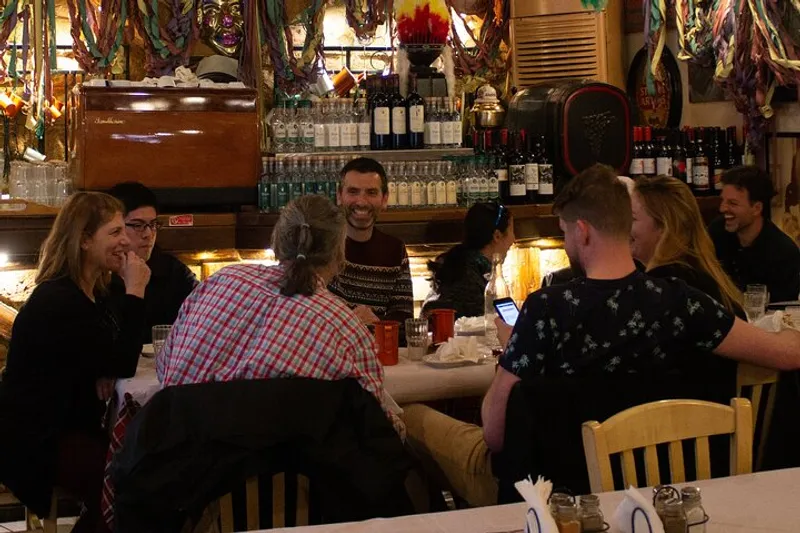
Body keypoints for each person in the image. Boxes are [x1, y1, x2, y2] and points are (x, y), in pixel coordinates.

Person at [404, 165, 800, 507]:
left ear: (582, 231)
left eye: (564, 233)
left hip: (556, 498)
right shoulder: (682, 301)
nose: (566, 243)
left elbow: (494, 434)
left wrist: (510, 355)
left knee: (411, 418)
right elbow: (786, 355)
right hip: (662, 486)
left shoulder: (546, 310)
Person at [157, 195, 402, 433]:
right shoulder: (345, 328)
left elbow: (164, 367)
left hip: (178, 449)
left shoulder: (219, 282)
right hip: (278, 457)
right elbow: (376, 427)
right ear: (339, 253)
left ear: (277, 242)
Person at [0, 192, 150, 533]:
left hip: (67, 428)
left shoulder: (91, 294)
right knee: (129, 478)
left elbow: (110, 355)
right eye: (115, 232)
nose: (126, 241)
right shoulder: (59, 300)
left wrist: (105, 367)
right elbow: (123, 360)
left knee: (143, 467)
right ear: (84, 240)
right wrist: (136, 290)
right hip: (37, 442)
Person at [631, 176, 744, 317]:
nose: (622, 226)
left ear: (664, 227)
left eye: (632, 218)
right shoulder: (695, 271)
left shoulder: (667, 284)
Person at [108, 182, 198, 342]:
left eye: (153, 224)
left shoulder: (172, 270)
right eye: (138, 225)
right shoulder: (99, 275)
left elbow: (201, 317)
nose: (148, 234)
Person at [328, 158, 413, 326]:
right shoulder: (322, 246)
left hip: (375, 342)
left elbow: (404, 317)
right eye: (353, 191)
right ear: (339, 196)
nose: (361, 201)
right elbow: (308, 312)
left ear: (385, 199)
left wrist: (377, 322)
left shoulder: (395, 249)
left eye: (371, 193)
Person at [709, 166, 800, 302]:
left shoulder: (784, 253)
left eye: (732, 203)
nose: (722, 208)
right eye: (723, 201)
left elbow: (782, 310)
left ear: (756, 208)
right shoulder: (716, 231)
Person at [422, 202, 515, 318]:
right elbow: (482, 323)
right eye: (512, 231)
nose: (513, 239)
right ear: (497, 236)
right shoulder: (469, 278)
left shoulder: (461, 263)